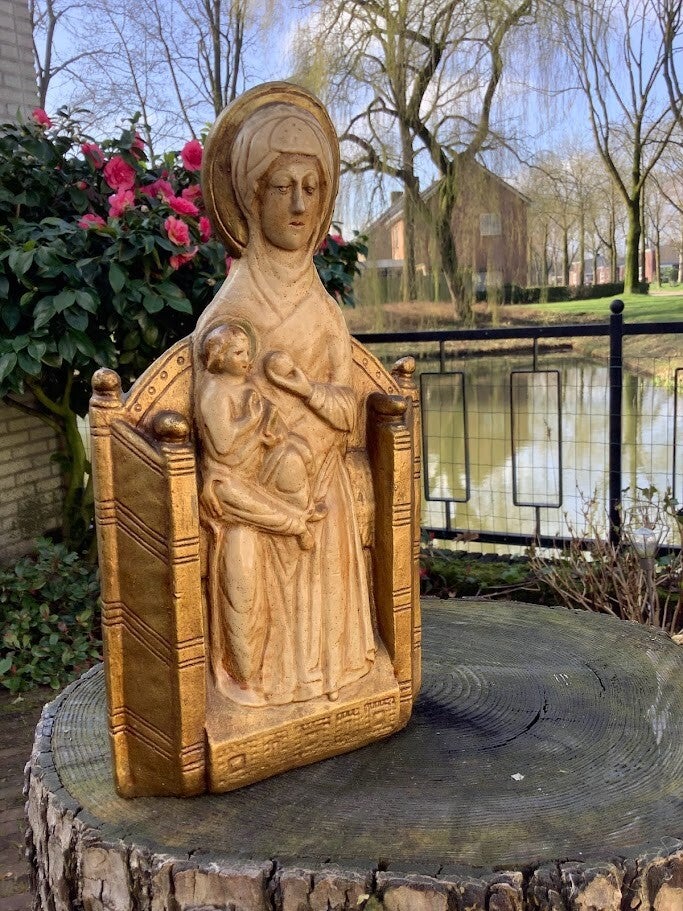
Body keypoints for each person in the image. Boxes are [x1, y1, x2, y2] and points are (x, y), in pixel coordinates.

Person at [195, 91, 376, 707]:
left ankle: (329, 677)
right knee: (246, 575)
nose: (299, 205)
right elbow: (218, 440)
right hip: (255, 498)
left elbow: (349, 413)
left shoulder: (325, 314)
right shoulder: (229, 314)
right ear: (253, 197)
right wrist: (271, 461)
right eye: (282, 188)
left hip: (319, 484)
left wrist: (305, 430)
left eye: (311, 188)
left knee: (325, 513)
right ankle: (259, 684)